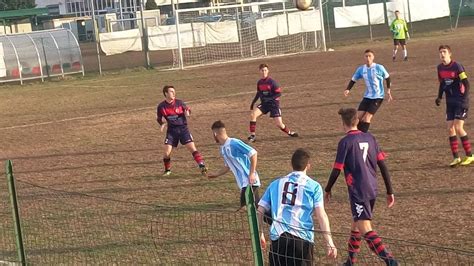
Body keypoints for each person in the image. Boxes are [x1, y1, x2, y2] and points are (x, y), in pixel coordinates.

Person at [325, 108, 398, 266]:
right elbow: (383, 166)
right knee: (356, 224)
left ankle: (391, 261)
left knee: (365, 228)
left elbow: (337, 169)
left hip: (359, 191)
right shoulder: (370, 138)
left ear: (343, 124)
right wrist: (389, 191)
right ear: (357, 121)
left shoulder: (345, 142)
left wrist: (328, 189)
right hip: (372, 187)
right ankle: (350, 261)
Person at [257, 148, 337, 265]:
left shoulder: (275, 184)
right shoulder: (314, 187)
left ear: (291, 164)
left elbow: (260, 210)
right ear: (308, 166)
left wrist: (260, 234)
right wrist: (329, 242)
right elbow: (321, 215)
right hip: (302, 240)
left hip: (279, 240)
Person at [208, 120, 261, 208]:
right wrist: (216, 175)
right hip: (244, 183)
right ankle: (274, 220)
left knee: (247, 208)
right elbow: (227, 166)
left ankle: (275, 220)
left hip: (249, 181)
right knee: (257, 210)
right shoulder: (222, 148)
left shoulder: (234, 143)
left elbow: (253, 153)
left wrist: (251, 173)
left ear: (215, 134)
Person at [156, 85, 207, 176]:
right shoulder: (161, 106)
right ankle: (167, 170)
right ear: (166, 93)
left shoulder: (180, 103)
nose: (173, 93)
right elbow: (159, 118)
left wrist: (187, 112)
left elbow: (187, 109)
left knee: (192, 148)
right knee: (166, 153)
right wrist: (162, 124)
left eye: (174, 91)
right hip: (171, 132)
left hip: (183, 130)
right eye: (171, 91)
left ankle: (202, 165)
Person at [435, 45, 473, 167]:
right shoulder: (440, 68)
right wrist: (439, 97)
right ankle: (456, 158)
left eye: (444, 52)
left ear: (450, 54)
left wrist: (465, 97)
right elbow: (442, 84)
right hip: (450, 102)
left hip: (460, 101)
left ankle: (470, 155)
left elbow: (466, 83)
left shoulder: (457, 66)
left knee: (458, 127)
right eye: (440, 52)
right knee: (450, 129)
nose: (442, 54)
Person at [344, 49, 392, 133]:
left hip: (378, 97)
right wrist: (348, 89)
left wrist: (388, 90)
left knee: (366, 118)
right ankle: (357, 133)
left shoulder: (379, 67)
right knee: (357, 118)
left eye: (370, 56)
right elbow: (353, 79)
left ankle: (362, 135)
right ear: (364, 57)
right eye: (366, 56)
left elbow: (387, 78)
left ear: (373, 57)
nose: (368, 58)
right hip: (367, 97)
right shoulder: (361, 69)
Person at [248, 63, 298, 142]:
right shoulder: (259, 82)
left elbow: (279, 93)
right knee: (253, 115)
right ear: (259, 71)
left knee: (279, 124)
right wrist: (253, 103)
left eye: (265, 70)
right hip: (264, 104)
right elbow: (258, 93)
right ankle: (252, 135)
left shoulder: (272, 82)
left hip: (273, 104)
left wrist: (270, 99)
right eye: (262, 70)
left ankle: (289, 132)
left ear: (268, 71)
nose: (264, 72)